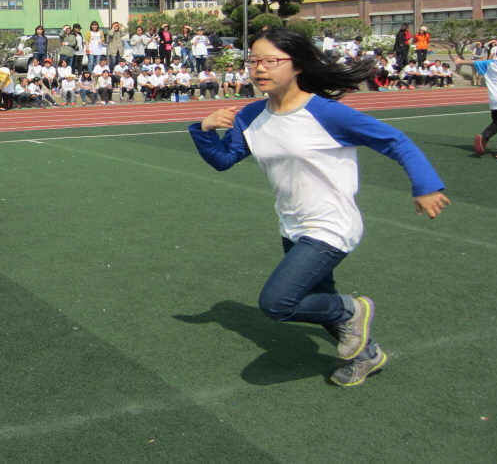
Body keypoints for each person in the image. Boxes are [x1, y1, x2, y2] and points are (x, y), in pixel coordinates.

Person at [190, 29, 450, 387]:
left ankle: (355, 309)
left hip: (331, 225)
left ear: (296, 65)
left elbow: (395, 140)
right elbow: (223, 159)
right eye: (253, 61)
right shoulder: (251, 116)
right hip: (292, 226)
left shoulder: (327, 113)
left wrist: (425, 185)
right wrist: (204, 130)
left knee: (278, 303)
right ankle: (367, 355)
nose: (258, 68)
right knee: (320, 300)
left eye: (270, 61)